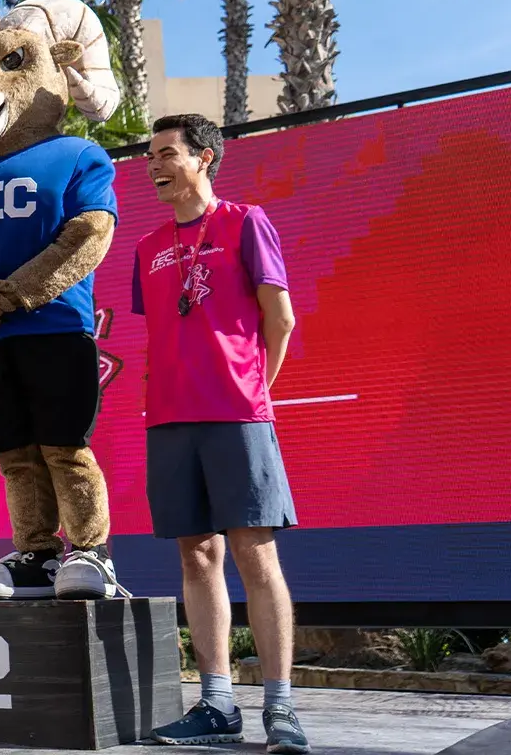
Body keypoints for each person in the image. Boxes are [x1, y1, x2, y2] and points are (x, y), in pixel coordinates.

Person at [133, 114, 309, 753]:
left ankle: (280, 706)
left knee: (255, 554)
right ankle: (216, 704)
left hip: (237, 414)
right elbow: (163, 331)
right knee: (196, 555)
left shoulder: (245, 221)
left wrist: (255, 389)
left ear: (203, 157)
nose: (154, 165)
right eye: (151, 156)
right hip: (169, 418)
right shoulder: (148, 246)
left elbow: (280, 319)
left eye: (166, 153)